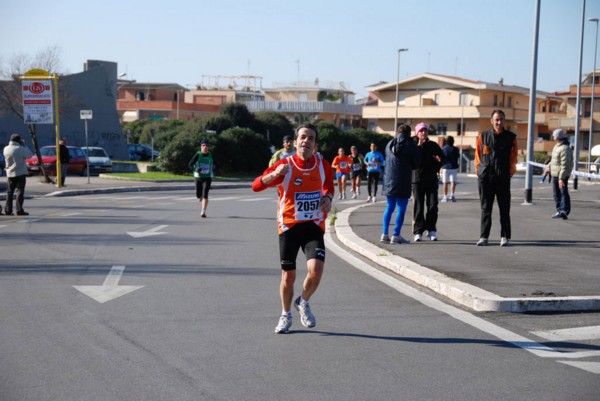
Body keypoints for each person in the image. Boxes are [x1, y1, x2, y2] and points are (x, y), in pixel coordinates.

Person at [252, 122, 334, 334]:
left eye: (311, 138)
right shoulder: (285, 165)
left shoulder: (322, 164)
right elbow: (256, 186)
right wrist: (275, 174)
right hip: (288, 227)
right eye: (303, 137)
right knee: (288, 277)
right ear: (296, 142)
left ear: (315, 145)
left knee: (315, 271)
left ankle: (303, 302)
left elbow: (329, 185)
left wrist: (328, 198)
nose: (306, 141)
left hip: (313, 225)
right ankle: (285, 315)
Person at [474, 109, 518, 247]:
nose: (499, 122)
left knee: (504, 209)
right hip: (486, 178)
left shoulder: (511, 137)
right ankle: (484, 237)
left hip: (503, 178)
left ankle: (505, 237)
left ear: (504, 121)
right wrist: (479, 172)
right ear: (491, 120)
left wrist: (510, 172)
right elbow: (478, 156)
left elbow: (514, 157)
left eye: (501, 119)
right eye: (497, 119)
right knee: (485, 208)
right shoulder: (483, 136)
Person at [381, 124, 421, 244]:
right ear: (409, 134)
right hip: (403, 180)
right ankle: (396, 235)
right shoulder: (410, 145)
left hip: (389, 180)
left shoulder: (389, 144)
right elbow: (417, 164)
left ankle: (384, 234)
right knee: (401, 208)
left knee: (389, 207)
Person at [412, 123, 445, 242]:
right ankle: (418, 231)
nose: (424, 133)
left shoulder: (433, 145)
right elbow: (410, 159)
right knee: (418, 206)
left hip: (431, 179)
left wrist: (438, 161)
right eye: (421, 131)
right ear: (417, 133)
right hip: (417, 180)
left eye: (425, 131)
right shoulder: (413, 145)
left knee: (432, 205)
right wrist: (418, 146)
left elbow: (442, 159)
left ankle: (431, 230)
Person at [3, 134, 33, 216]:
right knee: (20, 191)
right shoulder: (21, 148)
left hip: (10, 173)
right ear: (18, 141)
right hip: (20, 173)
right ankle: (19, 210)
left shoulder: (5, 149)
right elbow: (30, 155)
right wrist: (24, 145)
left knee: (9, 192)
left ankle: (8, 210)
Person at [547, 128, 573, 220]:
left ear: (557, 137)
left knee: (563, 193)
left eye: (553, 135)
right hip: (555, 174)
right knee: (556, 194)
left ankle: (564, 211)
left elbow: (565, 164)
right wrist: (549, 166)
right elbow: (554, 160)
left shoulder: (565, 148)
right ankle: (559, 210)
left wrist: (561, 178)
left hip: (561, 176)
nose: (552, 137)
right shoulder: (557, 146)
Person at [188, 139, 216, 218]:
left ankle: (203, 211)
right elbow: (189, 165)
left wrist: (216, 167)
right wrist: (195, 169)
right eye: (203, 145)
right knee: (198, 195)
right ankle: (199, 196)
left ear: (208, 147)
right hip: (198, 177)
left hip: (207, 177)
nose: (205, 147)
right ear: (201, 147)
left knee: (205, 194)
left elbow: (216, 163)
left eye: (206, 145)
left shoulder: (210, 155)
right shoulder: (198, 155)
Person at [441, 135, 460, 202]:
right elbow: (458, 157)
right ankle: (452, 195)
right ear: (453, 141)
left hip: (445, 167)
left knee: (445, 182)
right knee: (453, 182)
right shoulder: (456, 149)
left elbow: (441, 158)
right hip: (454, 167)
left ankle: (445, 197)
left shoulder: (443, 149)